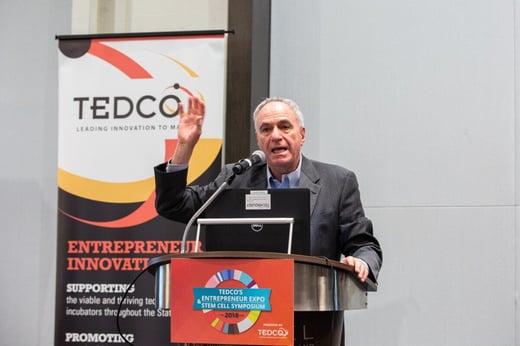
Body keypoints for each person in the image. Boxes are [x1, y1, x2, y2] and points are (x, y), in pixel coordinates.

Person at [154, 96, 382, 282]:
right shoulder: (236, 178)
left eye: (284, 127)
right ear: (258, 139)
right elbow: (173, 205)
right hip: (245, 312)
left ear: (301, 135)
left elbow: (364, 245)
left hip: (310, 316)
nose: (275, 136)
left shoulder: (338, 182)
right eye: (266, 129)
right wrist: (185, 146)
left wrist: (360, 261)